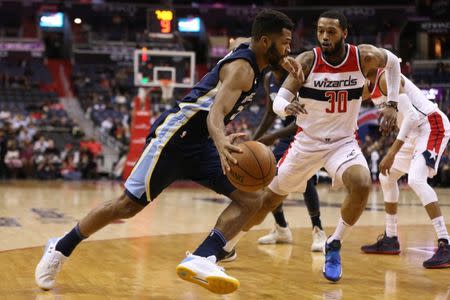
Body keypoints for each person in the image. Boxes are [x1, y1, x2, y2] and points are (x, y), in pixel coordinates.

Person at [35, 9, 301, 294]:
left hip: (202, 143)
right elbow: (215, 113)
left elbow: (239, 40)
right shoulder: (243, 70)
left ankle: (204, 256)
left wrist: (283, 59)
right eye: (285, 43)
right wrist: (222, 140)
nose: (290, 49)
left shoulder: (251, 50)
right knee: (127, 206)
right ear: (264, 42)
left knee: (252, 199)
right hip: (175, 137)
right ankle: (60, 248)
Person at [227, 10, 402, 283]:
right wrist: (288, 106)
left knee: (363, 183)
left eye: (331, 31)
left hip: (343, 142)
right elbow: (278, 101)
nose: (324, 36)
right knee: (266, 202)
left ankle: (334, 243)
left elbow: (393, 62)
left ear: (344, 33)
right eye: (320, 31)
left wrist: (392, 103)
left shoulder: (363, 56)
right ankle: (226, 246)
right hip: (307, 143)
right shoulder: (308, 60)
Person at [360, 69, 450, 268]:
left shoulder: (385, 77)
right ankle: (391, 239)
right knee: (386, 176)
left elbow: (411, 115)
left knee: (416, 180)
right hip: (412, 133)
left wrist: (391, 152)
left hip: (430, 125)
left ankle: (446, 243)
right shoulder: (369, 87)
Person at [253, 66, 326, 251]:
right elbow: (270, 113)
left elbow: (303, 118)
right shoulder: (269, 77)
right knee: (267, 174)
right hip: (286, 134)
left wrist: (273, 136)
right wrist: (254, 139)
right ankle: (282, 228)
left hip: (305, 131)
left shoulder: (297, 77)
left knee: (306, 178)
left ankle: (318, 230)